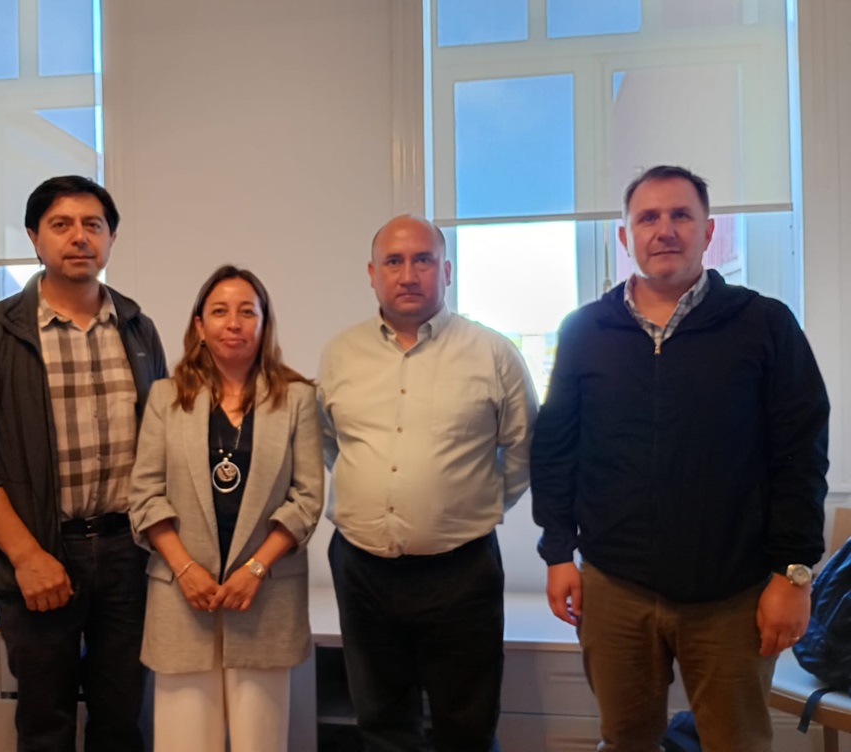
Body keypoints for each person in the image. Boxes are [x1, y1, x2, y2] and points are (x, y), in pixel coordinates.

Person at [531, 165, 830, 751]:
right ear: (625, 237)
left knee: (736, 744)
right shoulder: (585, 330)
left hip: (734, 593)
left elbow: (801, 453)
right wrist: (557, 551)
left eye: (680, 215)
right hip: (614, 587)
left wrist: (793, 574)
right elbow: (556, 447)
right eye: (648, 217)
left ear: (708, 230)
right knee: (624, 740)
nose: (664, 229)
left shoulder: (764, 324)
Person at [0, 175, 167, 752]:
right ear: (35, 239)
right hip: (39, 555)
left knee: (123, 722)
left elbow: (163, 443)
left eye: (93, 225)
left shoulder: (138, 329)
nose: (79, 237)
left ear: (111, 239)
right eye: (61, 225)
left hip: (128, 556)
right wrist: (26, 556)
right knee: (45, 727)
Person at [317, 214, 540, 751]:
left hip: (460, 571)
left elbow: (524, 449)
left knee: (466, 727)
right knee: (381, 724)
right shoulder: (341, 353)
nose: (408, 273)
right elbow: (330, 442)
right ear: (372, 273)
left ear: (447, 271)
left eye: (423, 260)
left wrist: (468, 505)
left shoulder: (493, 353)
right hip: (362, 569)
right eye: (394, 261)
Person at [128, 265, 323, 752]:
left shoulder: (298, 399)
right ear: (200, 325)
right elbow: (145, 495)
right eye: (219, 311)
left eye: (246, 312)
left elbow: (307, 498)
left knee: (261, 742)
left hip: (266, 597)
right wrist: (186, 568)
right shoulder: (166, 398)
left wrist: (254, 569)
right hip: (182, 597)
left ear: (264, 323)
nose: (233, 323)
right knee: (184, 742)